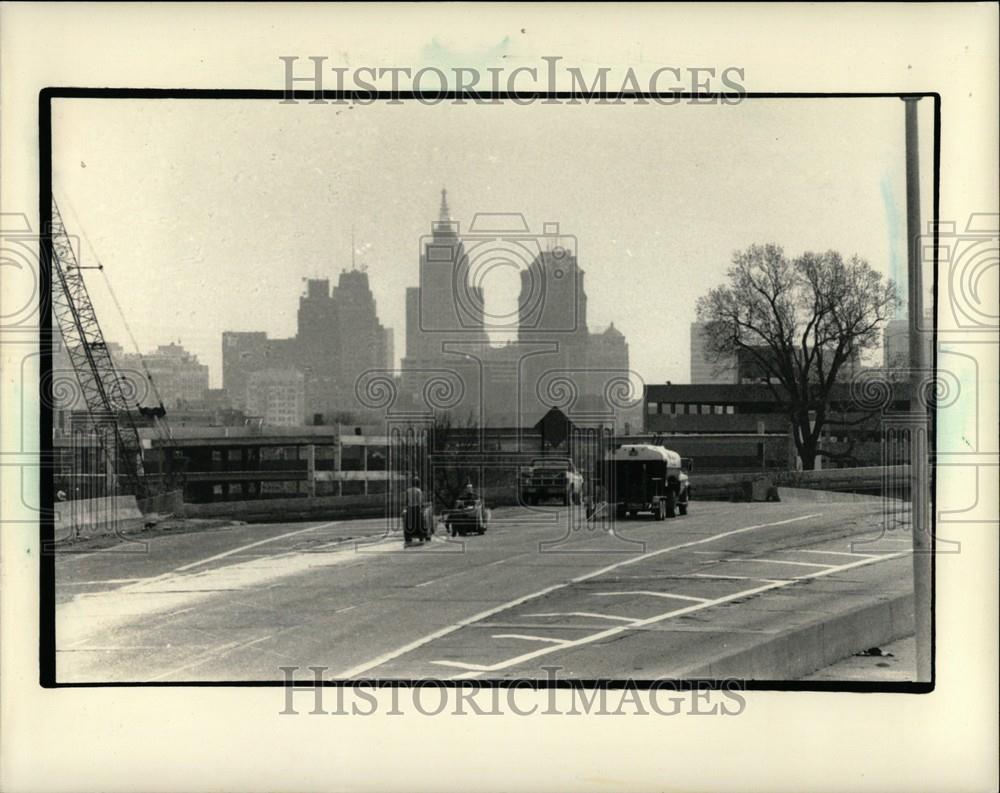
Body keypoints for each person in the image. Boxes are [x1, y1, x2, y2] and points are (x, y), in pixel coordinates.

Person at [403, 476, 424, 546]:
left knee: (407, 521)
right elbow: (420, 501)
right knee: (420, 521)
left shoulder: (408, 490)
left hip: (409, 508)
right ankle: (421, 534)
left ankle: (408, 535)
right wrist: (421, 507)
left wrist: (406, 507)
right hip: (416, 508)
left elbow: (406, 501)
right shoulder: (418, 490)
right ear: (418, 483)